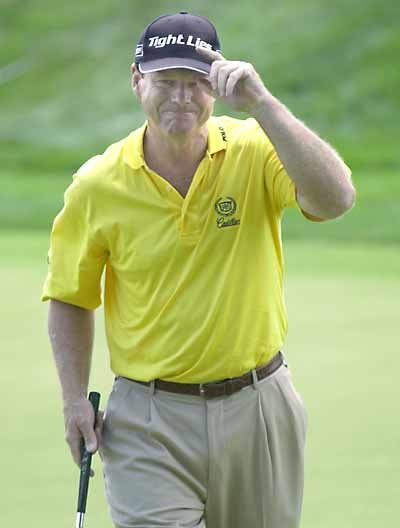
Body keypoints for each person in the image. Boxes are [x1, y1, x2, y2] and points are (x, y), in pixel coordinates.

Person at [42, 11, 355, 528]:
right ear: (137, 80)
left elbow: (336, 198)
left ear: (216, 86)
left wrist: (264, 104)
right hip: (148, 420)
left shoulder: (256, 148)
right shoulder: (97, 184)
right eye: (166, 81)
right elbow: (70, 296)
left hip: (259, 407)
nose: (181, 97)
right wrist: (73, 399)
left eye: (194, 82)